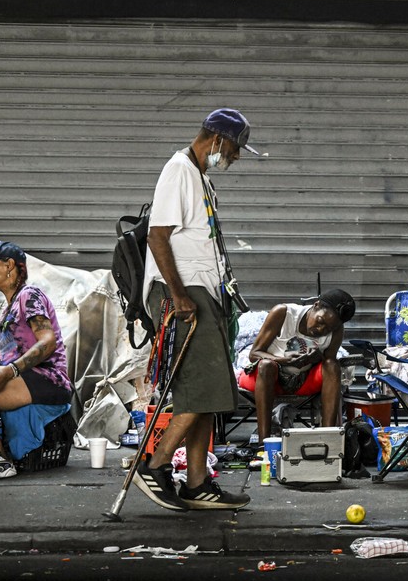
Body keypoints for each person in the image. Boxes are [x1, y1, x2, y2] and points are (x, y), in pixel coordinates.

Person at [133, 108, 257, 511]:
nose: (235, 158)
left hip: (204, 291)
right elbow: (157, 236)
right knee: (204, 388)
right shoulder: (179, 170)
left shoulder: (200, 177)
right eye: (235, 149)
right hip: (183, 294)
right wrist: (179, 294)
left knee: (213, 389)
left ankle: (197, 483)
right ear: (218, 140)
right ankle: (155, 464)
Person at [0, 241, 72, 481]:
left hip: (50, 381)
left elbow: (47, 342)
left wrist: (8, 371)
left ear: (9, 266)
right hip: (27, 380)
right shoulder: (9, 308)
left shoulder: (29, 296)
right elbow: (3, 342)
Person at [237, 289, 355, 445]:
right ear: (316, 305)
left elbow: (328, 362)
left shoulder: (337, 330)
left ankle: (327, 439)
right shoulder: (283, 313)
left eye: (328, 329)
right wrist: (283, 361)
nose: (320, 330)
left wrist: (316, 357)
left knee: (332, 366)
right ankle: (263, 442)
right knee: (266, 366)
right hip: (267, 379)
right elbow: (255, 353)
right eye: (320, 321)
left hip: (302, 381)